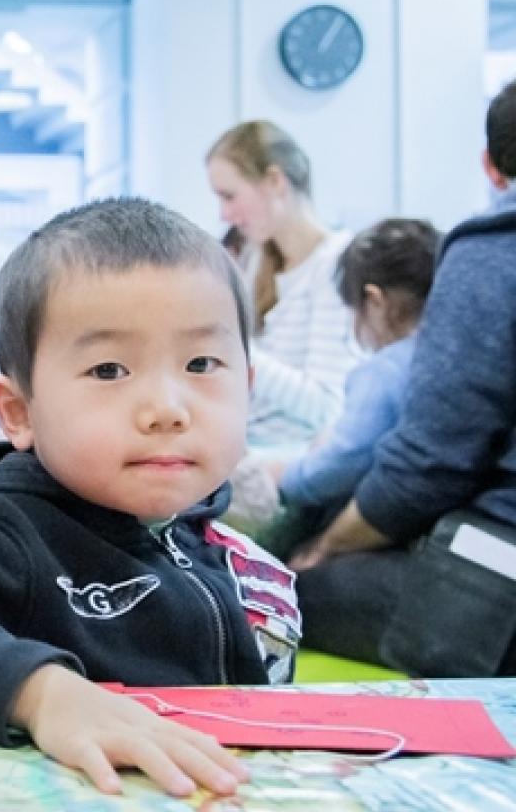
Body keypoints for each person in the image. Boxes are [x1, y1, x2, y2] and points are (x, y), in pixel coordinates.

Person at [0, 198, 300, 798]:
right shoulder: (7, 527)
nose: (167, 410)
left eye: (202, 363)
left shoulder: (206, 532)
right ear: (19, 412)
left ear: (247, 387)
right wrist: (41, 693)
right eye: (109, 371)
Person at [289, 80, 516, 676]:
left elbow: (430, 463)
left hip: (498, 567)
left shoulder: (490, 252)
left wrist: (325, 547)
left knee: (273, 590)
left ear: (492, 169)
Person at [261, 220, 437, 554]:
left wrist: (281, 475)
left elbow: (340, 464)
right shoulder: (452, 355)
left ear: (374, 301)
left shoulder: (385, 371)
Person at [207, 121, 360, 446]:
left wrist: (227, 348)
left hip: (286, 465)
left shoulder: (335, 263)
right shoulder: (255, 257)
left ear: (275, 181)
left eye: (229, 196)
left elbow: (326, 407)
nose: (224, 214)